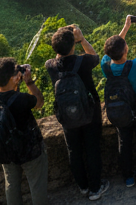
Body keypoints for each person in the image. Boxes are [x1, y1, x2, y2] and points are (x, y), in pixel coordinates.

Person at [46, 25, 108, 200]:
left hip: (67, 114)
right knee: (92, 148)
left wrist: (61, 38)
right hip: (90, 111)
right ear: (73, 45)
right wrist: (81, 39)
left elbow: (60, 56)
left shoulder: (51, 66)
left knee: (74, 150)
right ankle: (95, 189)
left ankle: (82, 186)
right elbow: (94, 56)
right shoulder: (83, 62)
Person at [101, 19, 136, 189]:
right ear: (126, 50)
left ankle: (128, 177)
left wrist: (125, 28)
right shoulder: (135, 65)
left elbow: (110, 52)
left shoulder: (106, 67)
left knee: (124, 143)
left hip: (119, 111)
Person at [0, 57, 47, 205]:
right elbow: (39, 102)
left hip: (6, 149)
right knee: (37, 185)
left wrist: (15, 80)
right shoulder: (21, 100)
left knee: (11, 185)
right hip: (29, 150)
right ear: (13, 78)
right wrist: (28, 82)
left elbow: (8, 95)